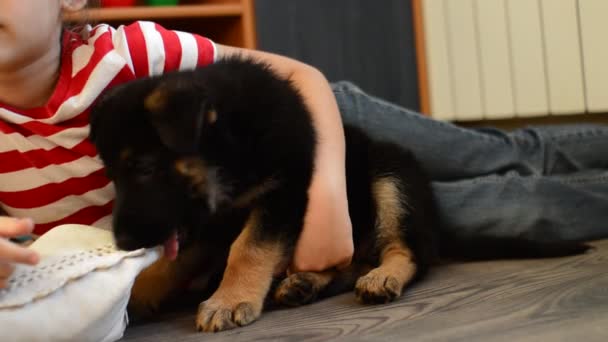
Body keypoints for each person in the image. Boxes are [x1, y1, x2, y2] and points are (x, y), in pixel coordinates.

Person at [2, 0, 608, 291]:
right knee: (509, 204)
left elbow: (297, 81)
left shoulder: (131, 54)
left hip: (313, 121)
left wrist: (327, 196)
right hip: (253, 198)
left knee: (509, 153)